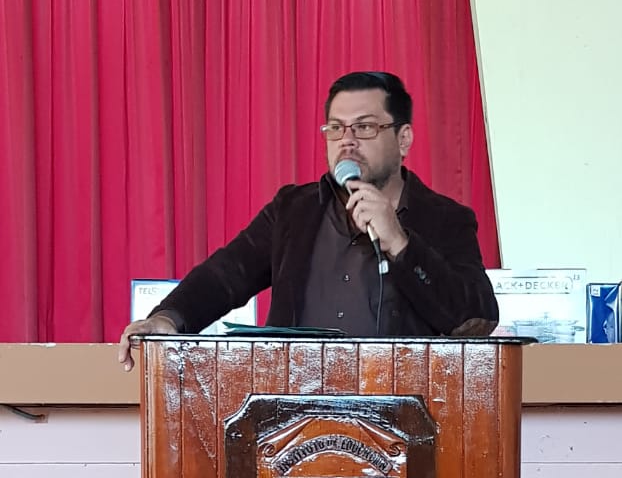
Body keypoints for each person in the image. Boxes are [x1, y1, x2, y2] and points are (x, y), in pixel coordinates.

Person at [119, 71, 498, 370]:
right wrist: (168, 319)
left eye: (365, 127)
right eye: (336, 128)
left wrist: (401, 244)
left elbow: (477, 320)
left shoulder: (446, 219)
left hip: (401, 417)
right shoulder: (293, 210)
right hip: (296, 416)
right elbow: (225, 275)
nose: (347, 140)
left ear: (404, 139)